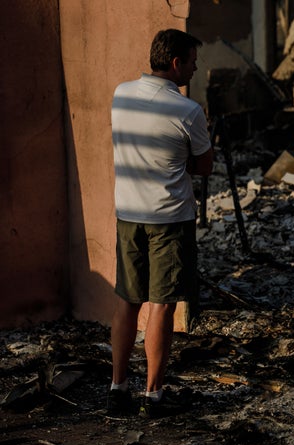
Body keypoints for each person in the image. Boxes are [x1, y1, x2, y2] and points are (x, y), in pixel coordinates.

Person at [106, 28, 214, 418]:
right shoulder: (188, 110)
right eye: (192, 61)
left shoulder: (121, 94)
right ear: (176, 63)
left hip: (128, 213)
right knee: (162, 306)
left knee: (127, 302)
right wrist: (181, 158)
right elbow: (204, 166)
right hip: (169, 219)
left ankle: (117, 388)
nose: (195, 67)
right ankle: (153, 396)